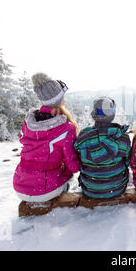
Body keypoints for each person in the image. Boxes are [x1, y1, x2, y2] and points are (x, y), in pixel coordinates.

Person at [13, 73, 81, 202]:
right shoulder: (66, 128)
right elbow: (72, 165)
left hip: (20, 187)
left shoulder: (29, 123)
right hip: (44, 190)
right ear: (60, 99)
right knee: (68, 179)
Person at [74, 97, 131, 199]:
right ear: (112, 115)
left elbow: (79, 159)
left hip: (90, 189)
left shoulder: (84, 136)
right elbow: (127, 161)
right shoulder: (123, 137)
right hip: (117, 188)